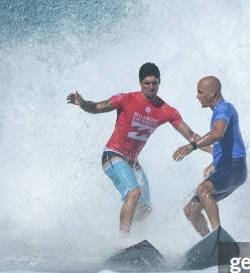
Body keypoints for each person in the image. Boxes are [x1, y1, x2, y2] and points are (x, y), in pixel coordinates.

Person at [67, 63, 205, 234]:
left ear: (159, 82)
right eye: (147, 83)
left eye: (154, 83)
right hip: (113, 156)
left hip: (132, 163)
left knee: (145, 209)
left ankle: (134, 240)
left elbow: (191, 136)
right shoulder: (126, 99)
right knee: (134, 193)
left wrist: (214, 150)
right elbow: (95, 108)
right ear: (140, 83)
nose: (151, 87)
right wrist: (82, 103)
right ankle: (123, 242)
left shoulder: (166, 111)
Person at [173, 76, 247, 237]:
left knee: (203, 189)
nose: (197, 96)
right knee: (191, 210)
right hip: (225, 168)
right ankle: (209, 242)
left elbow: (218, 133)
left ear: (212, 92)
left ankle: (217, 236)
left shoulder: (224, 109)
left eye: (200, 92)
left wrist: (191, 146)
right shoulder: (218, 112)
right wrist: (215, 162)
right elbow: (223, 142)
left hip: (235, 168)